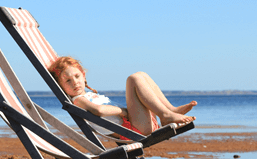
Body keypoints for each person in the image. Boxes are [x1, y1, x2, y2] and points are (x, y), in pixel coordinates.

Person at [48, 56, 197, 137]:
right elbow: (99, 111)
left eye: (77, 76)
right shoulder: (78, 100)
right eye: (68, 80)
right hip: (132, 130)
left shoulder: (88, 94)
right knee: (133, 79)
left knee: (141, 75)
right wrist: (123, 111)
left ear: (84, 75)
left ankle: (170, 110)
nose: (75, 82)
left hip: (137, 124)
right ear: (61, 86)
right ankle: (165, 115)